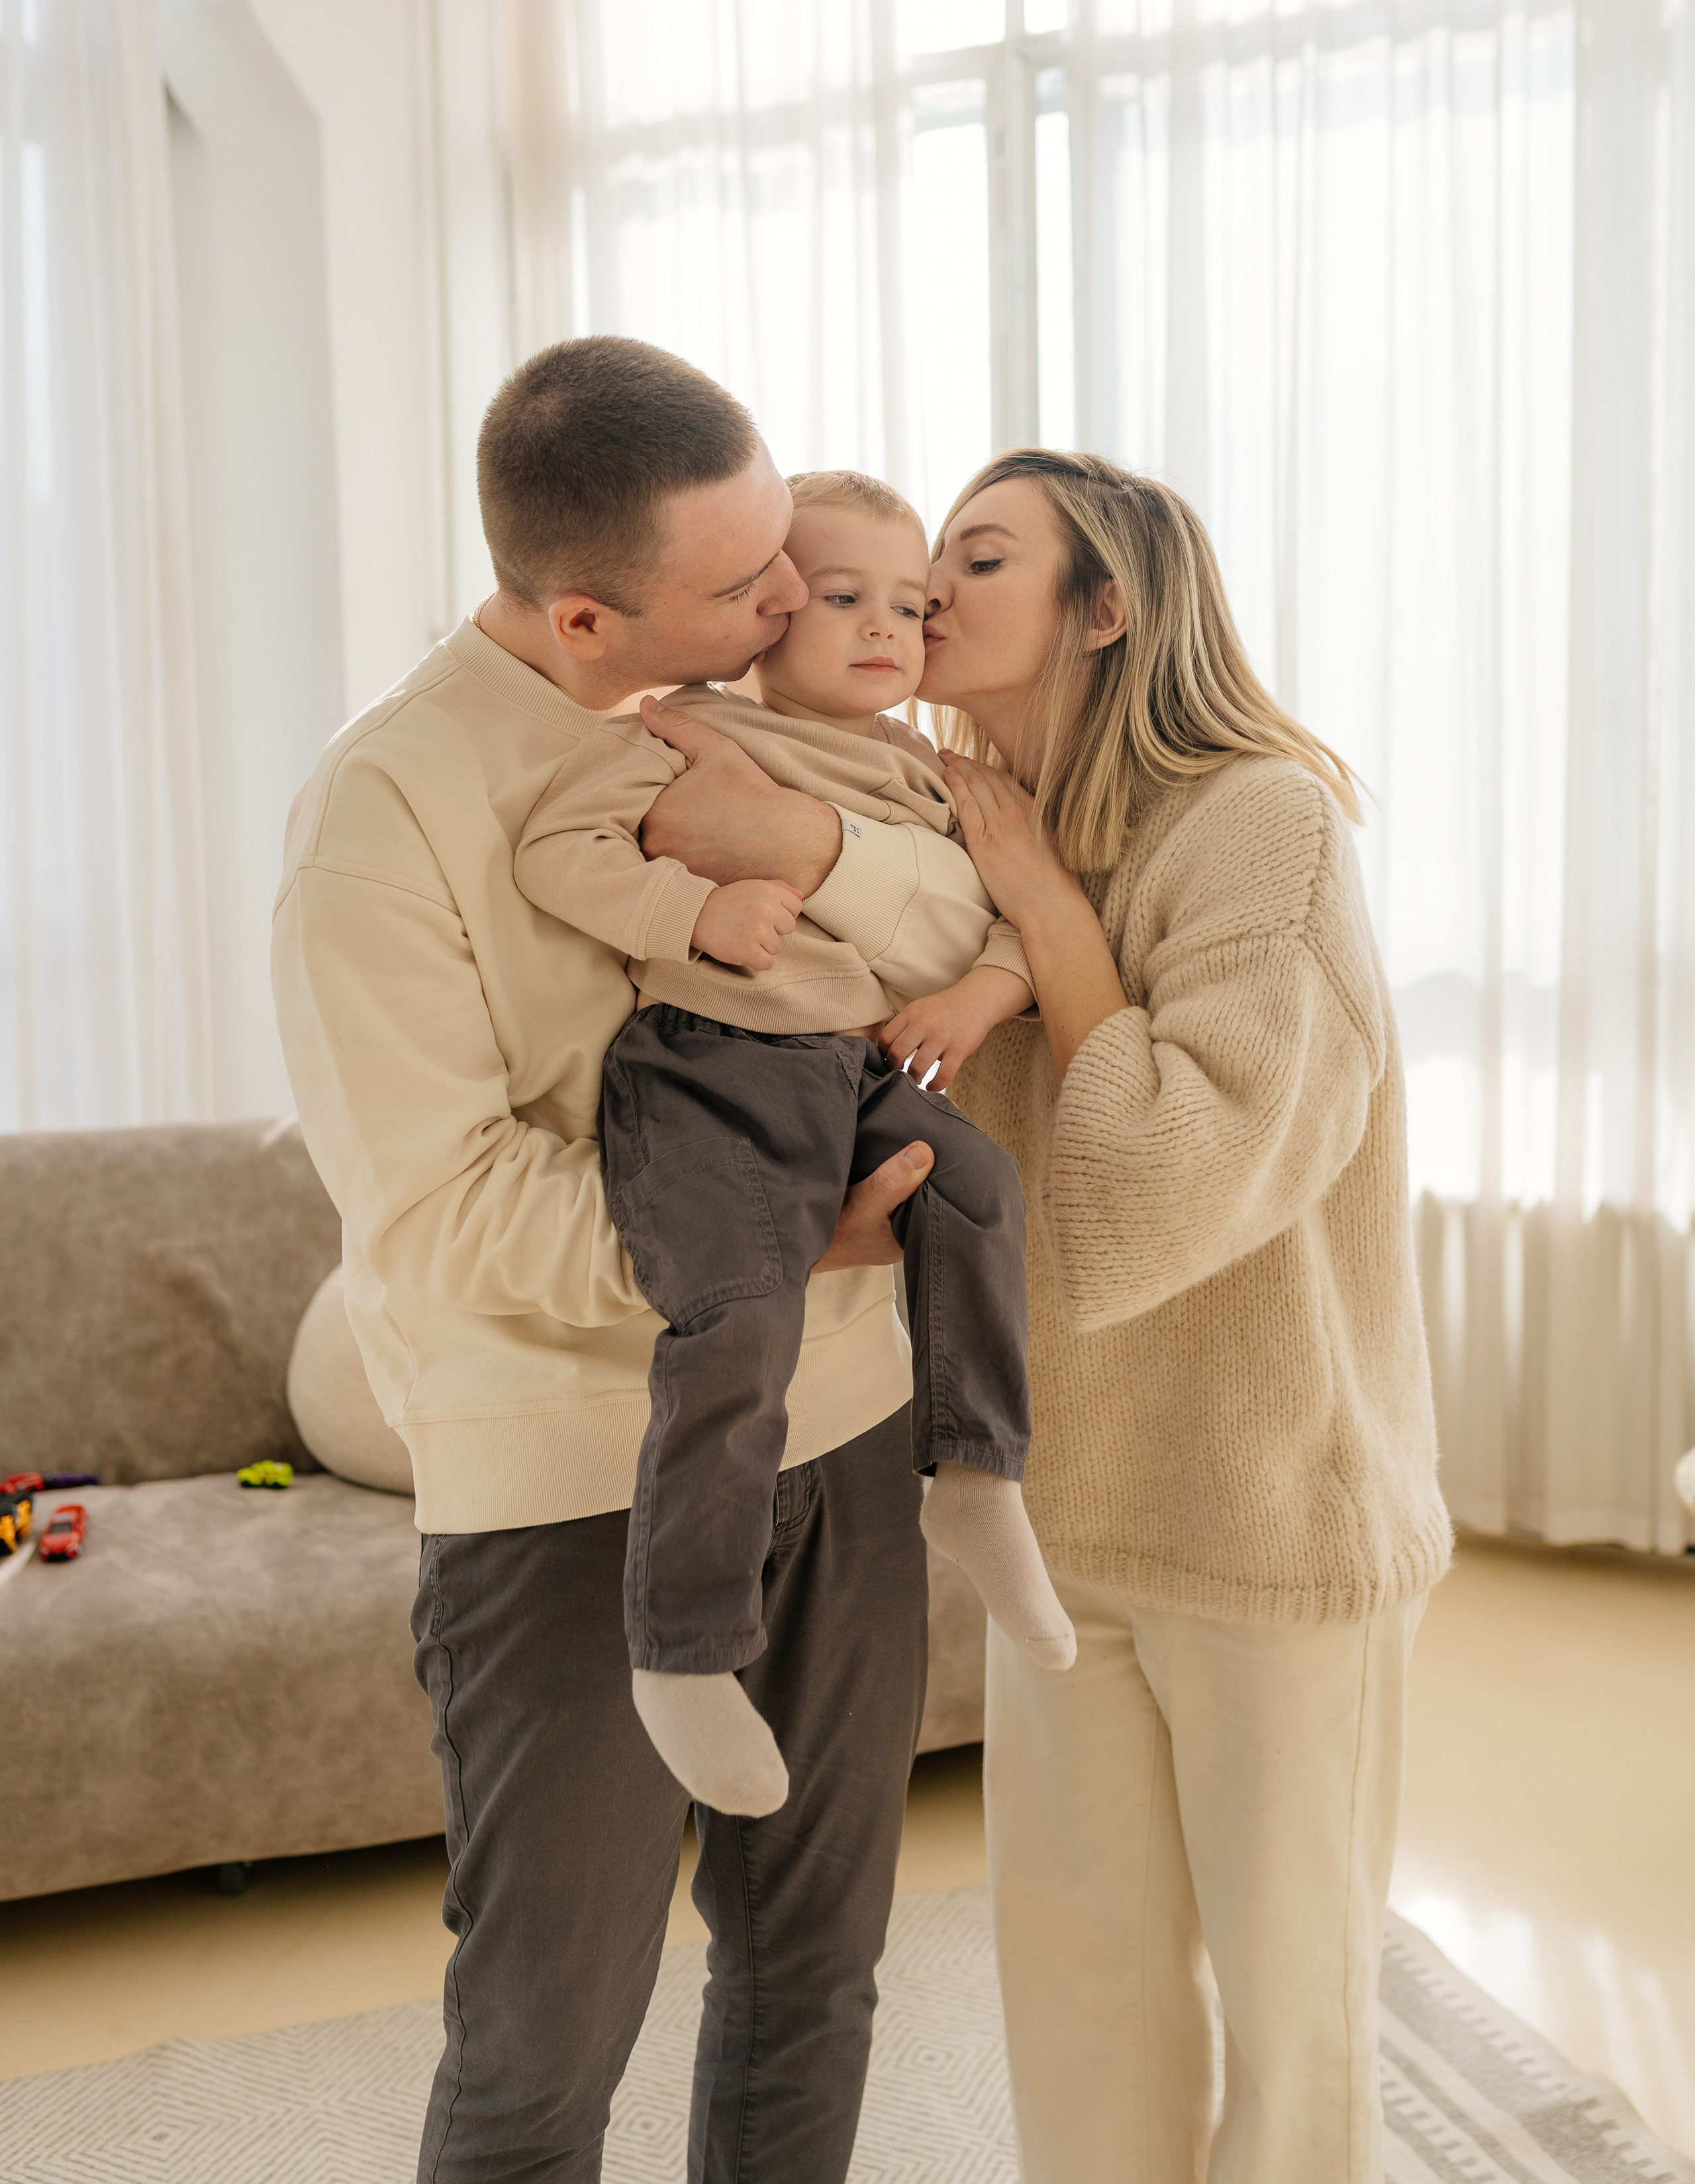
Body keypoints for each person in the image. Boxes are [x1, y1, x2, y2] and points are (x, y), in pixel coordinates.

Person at [641, 448, 1452, 2184]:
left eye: (984, 555)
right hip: (1064, 1511)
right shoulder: (946, 811)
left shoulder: (1259, 824)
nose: (932, 589)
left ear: (1106, 609)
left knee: (1294, 2017)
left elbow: (1166, 1178)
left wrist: (1047, 913)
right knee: (1079, 1990)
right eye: (930, 556)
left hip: (1268, 1512)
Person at [272, 339, 985, 2184]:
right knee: (542, 2052)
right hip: (570, 1485)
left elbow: (942, 922)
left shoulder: (760, 717)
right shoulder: (386, 812)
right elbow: (442, 1214)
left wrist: (813, 839)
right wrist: (765, 1245)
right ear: (585, 617)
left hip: (839, 1416)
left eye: (783, 551)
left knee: (815, 1973)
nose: (794, 599)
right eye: (744, 583)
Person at [512, 468, 1074, 1817]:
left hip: (849, 1066)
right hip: (705, 1071)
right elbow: (555, 848)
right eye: (841, 598)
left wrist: (980, 995)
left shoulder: (931, 772)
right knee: (737, 1322)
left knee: (977, 1185)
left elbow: (1019, 915)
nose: (886, 627)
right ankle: (681, 1649)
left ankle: (976, 1477)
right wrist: (687, 915)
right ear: (767, 612)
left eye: (911, 605)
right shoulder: (690, 728)